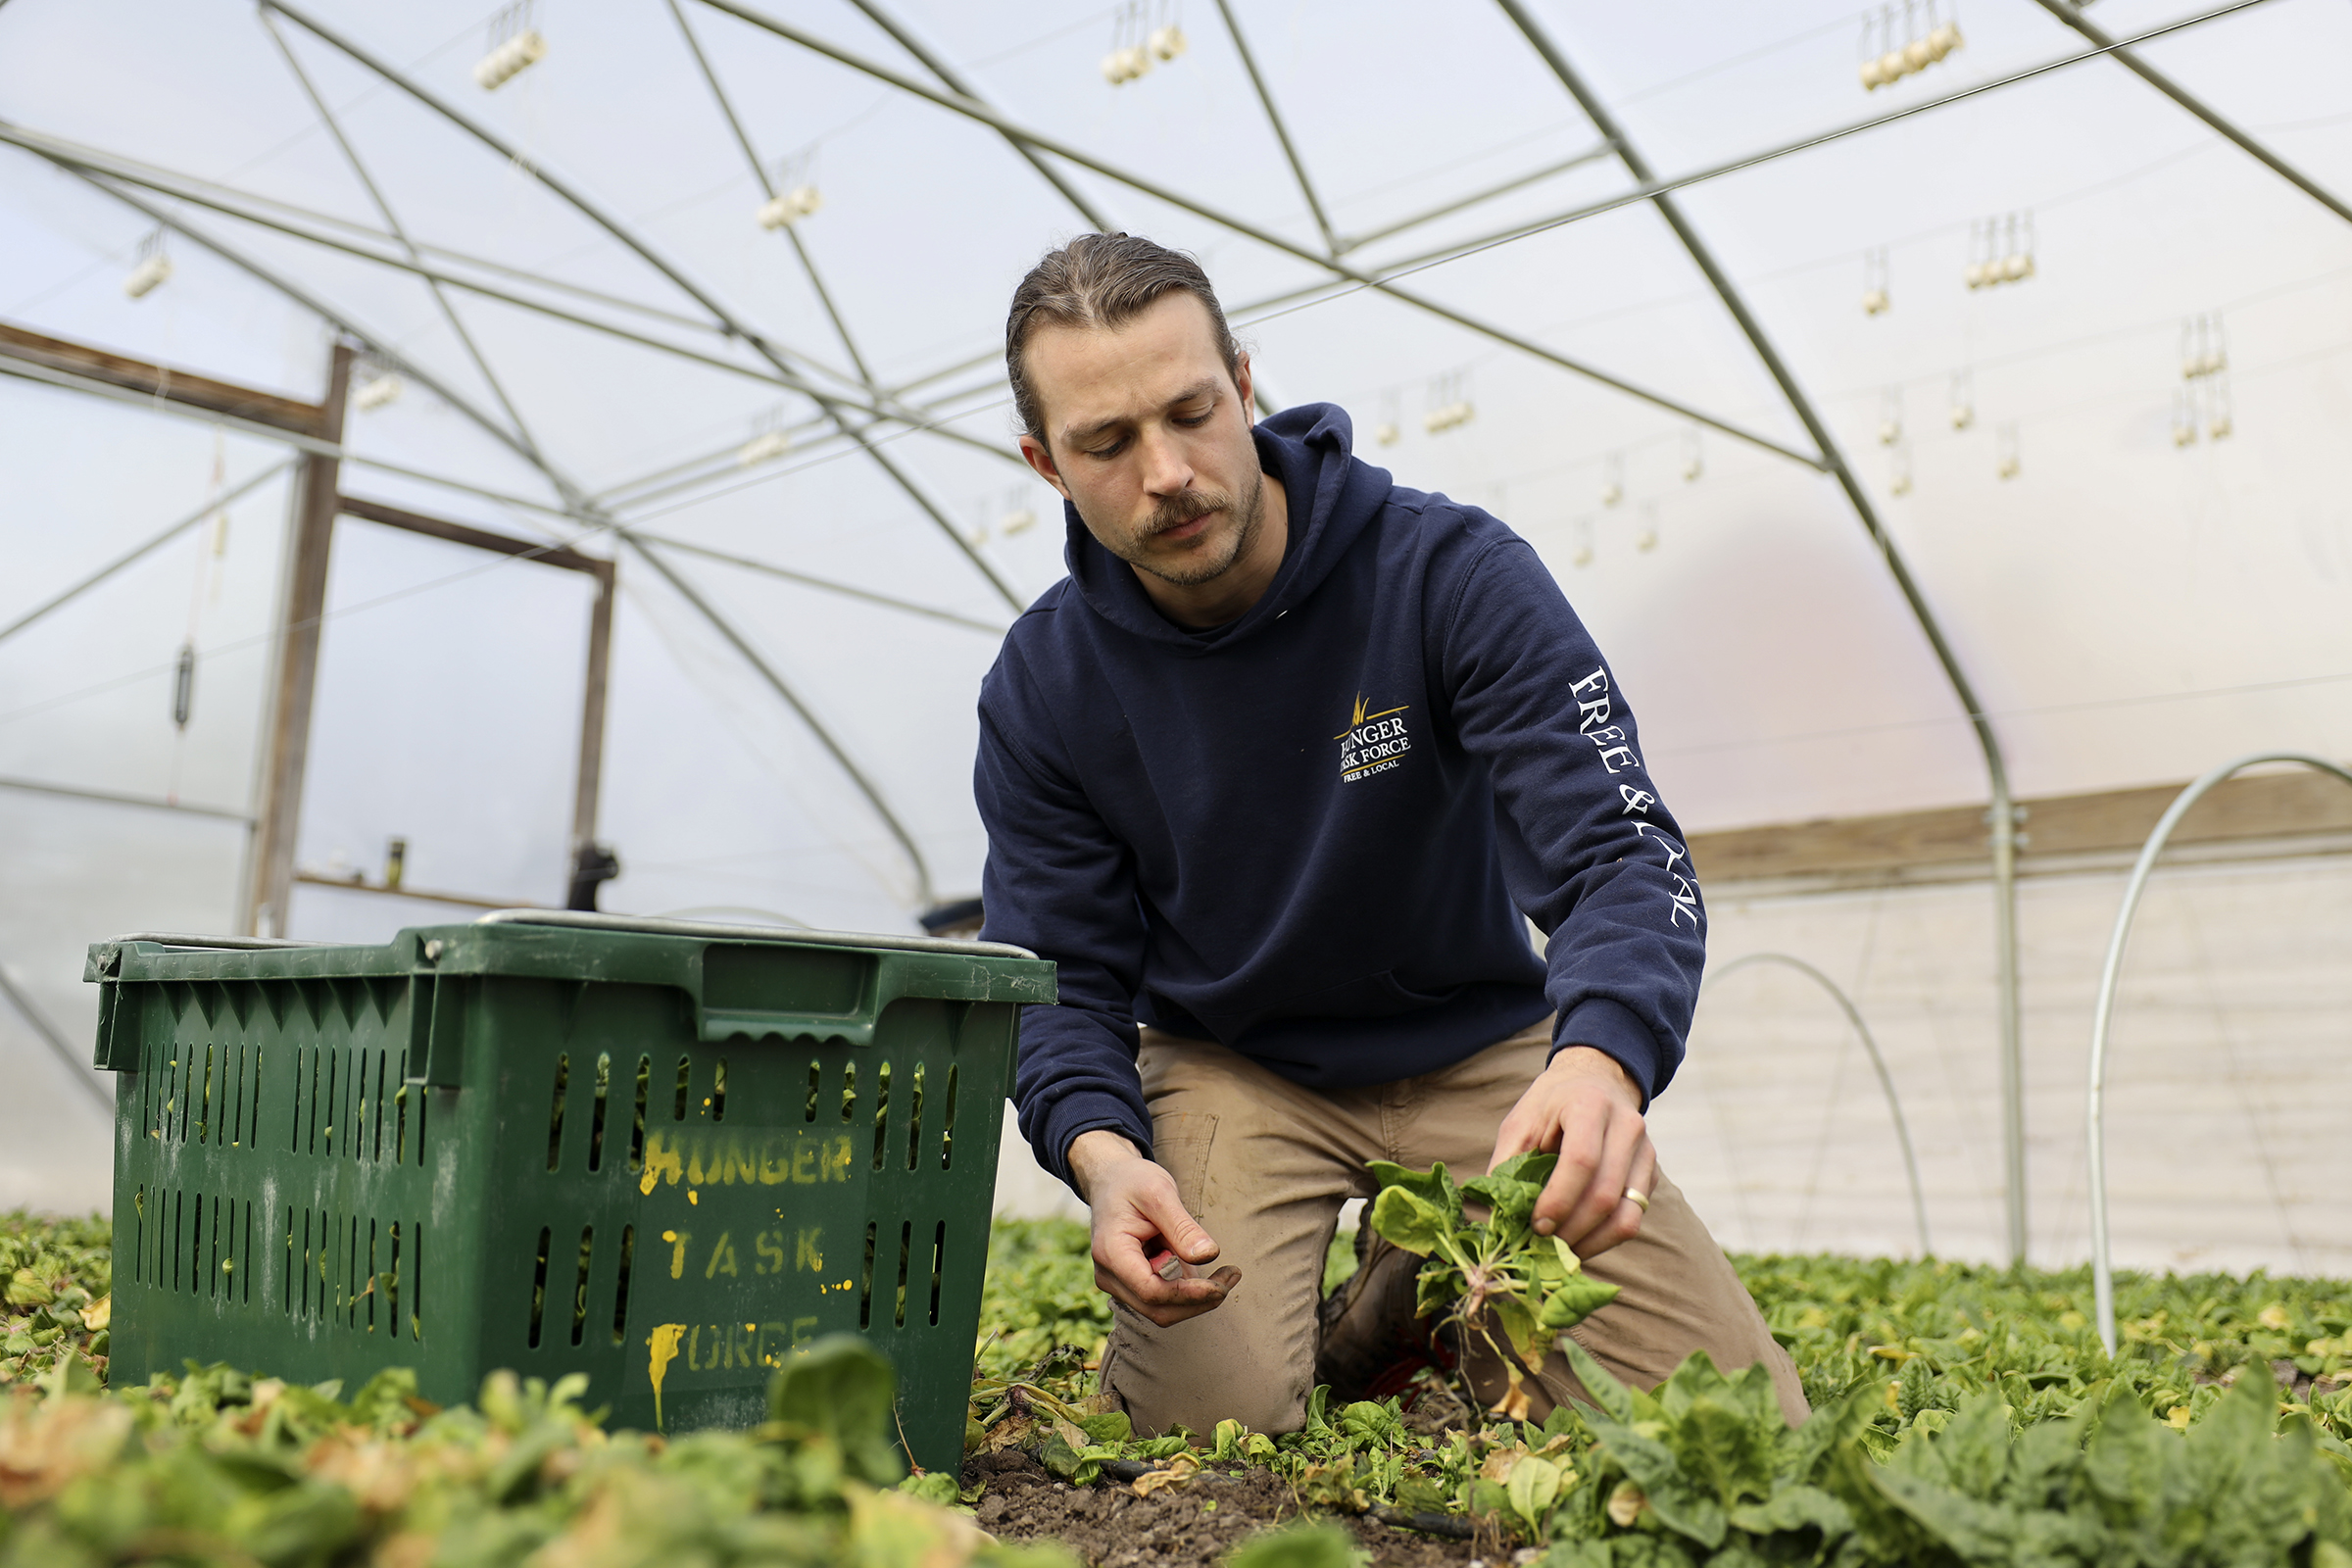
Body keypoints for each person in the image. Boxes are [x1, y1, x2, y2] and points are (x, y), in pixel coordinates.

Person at [974, 232, 1804, 1437]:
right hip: (1235, 1062)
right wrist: (1102, 1156)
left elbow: (1618, 848)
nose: (1168, 471)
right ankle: (1397, 1301)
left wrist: (1601, 1054)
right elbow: (1058, 976)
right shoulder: (1045, 684)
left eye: (1192, 412)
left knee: (1733, 1428)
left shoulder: (1447, 574)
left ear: (1245, 387)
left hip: (1485, 1048)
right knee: (1215, 1423)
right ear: (1047, 462)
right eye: (1108, 443)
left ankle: (1420, 1287)